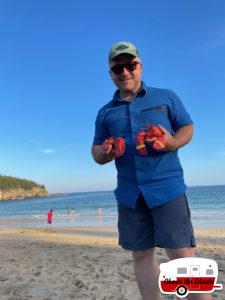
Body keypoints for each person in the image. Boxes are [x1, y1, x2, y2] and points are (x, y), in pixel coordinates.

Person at [92, 41, 211, 300]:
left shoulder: (166, 97)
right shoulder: (105, 113)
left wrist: (173, 142)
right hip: (129, 194)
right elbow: (96, 151)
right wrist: (103, 153)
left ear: (140, 66)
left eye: (130, 65)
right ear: (110, 74)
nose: (125, 72)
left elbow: (187, 127)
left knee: (181, 254)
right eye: (118, 68)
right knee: (141, 254)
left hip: (166, 188)